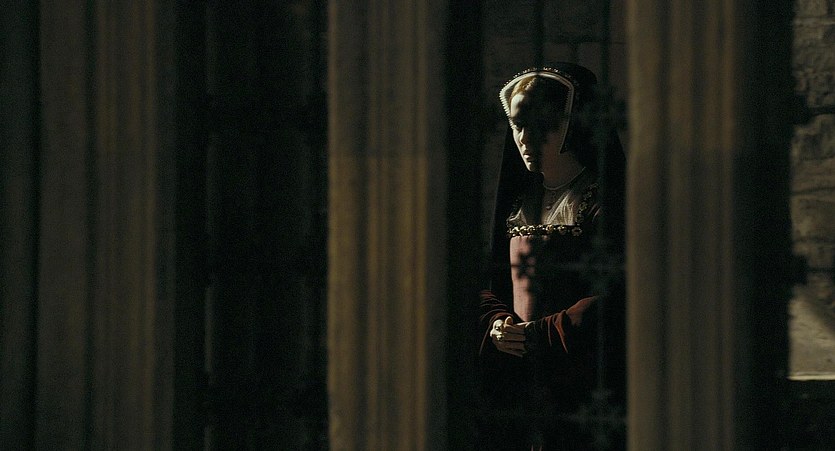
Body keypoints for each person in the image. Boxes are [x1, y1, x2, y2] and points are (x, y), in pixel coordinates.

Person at [477, 63, 626, 450]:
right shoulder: (518, 203)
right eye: (518, 125)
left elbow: (619, 297)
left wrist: (539, 333)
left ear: (572, 125)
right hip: (520, 379)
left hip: (581, 379)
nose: (525, 138)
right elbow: (492, 282)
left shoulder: (603, 200)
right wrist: (497, 323)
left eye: (540, 124)